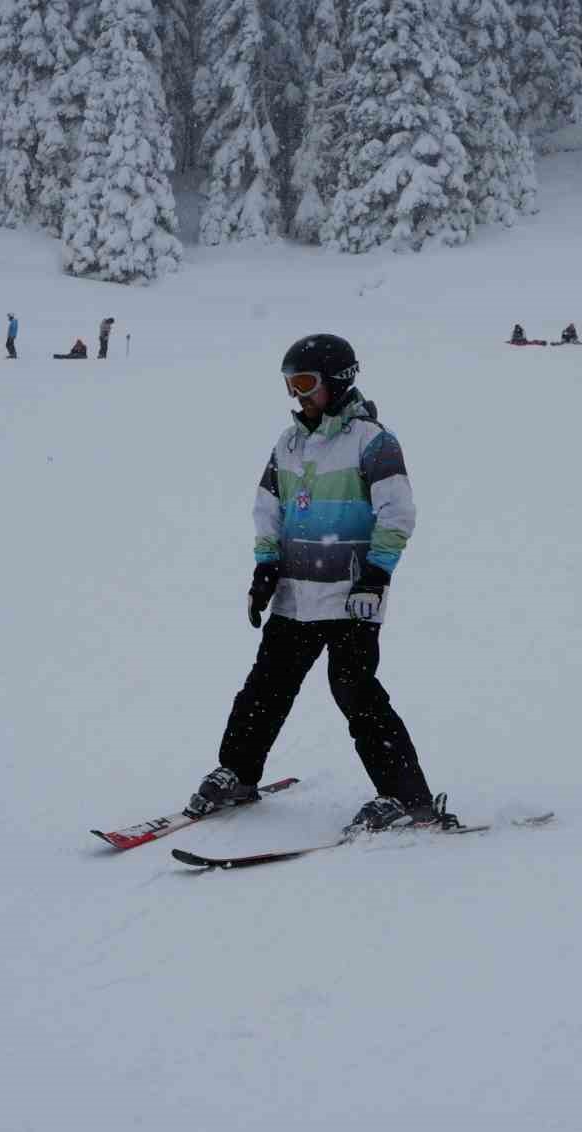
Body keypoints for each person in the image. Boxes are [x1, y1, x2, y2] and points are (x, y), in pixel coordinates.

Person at [185, 333, 452, 835]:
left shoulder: (373, 441)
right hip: (294, 595)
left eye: (306, 383)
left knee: (355, 691)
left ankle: (405, 796)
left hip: (352, 596)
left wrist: (377, 574)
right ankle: (238, 773)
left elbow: (398, 513)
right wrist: (265, 570)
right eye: (290, 384)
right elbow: (269, 510)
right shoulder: (287, 443)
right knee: (265, 687)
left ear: (338, 380)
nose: (297, 395)